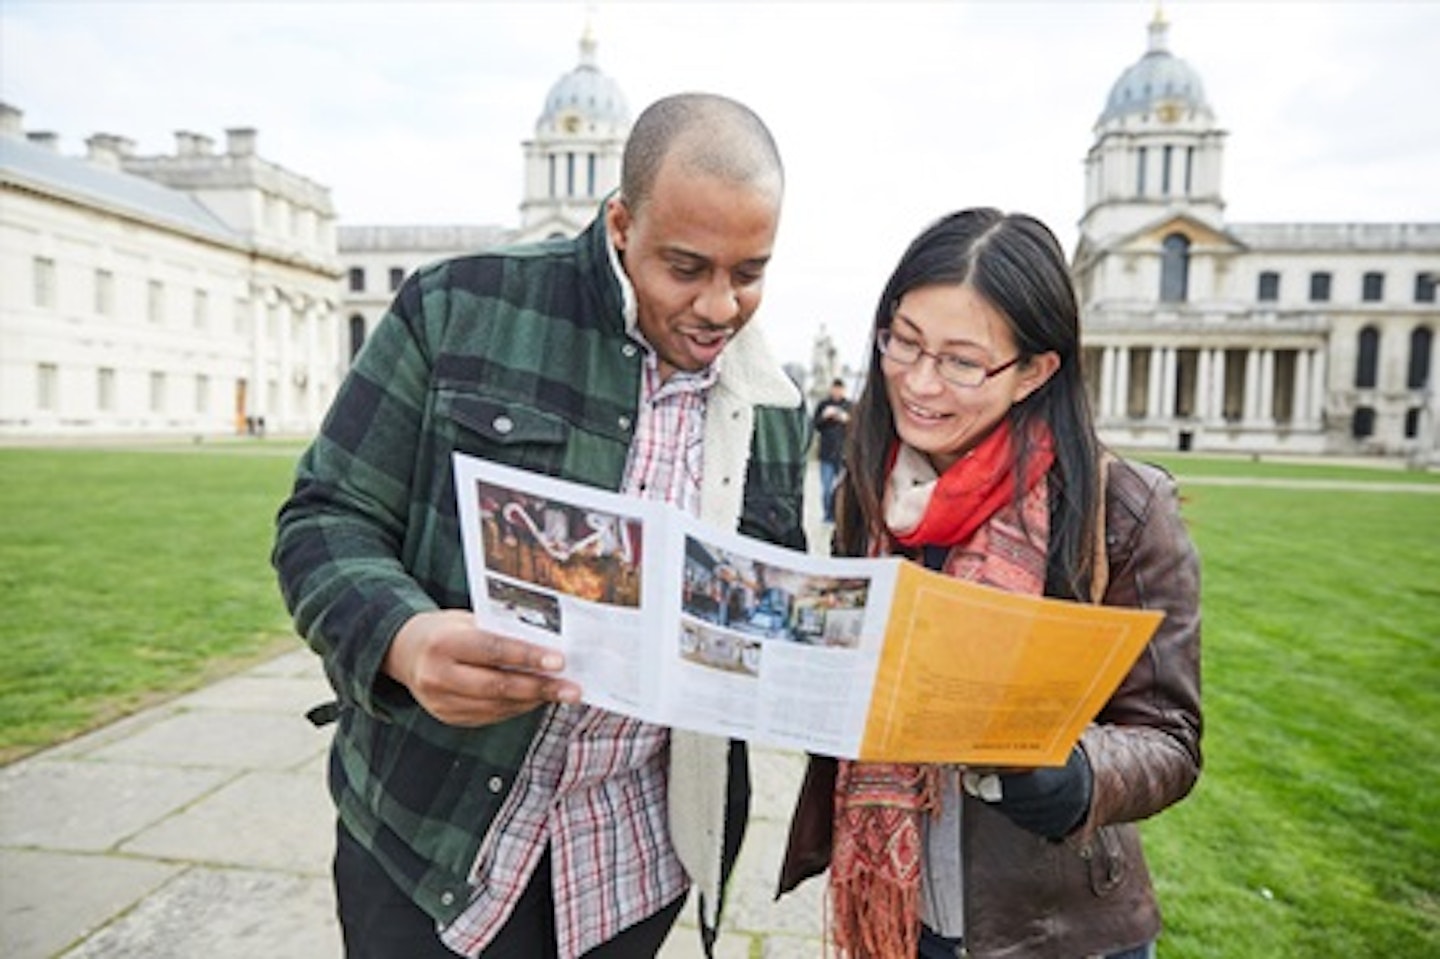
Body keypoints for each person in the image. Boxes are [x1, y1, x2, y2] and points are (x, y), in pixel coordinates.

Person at [273, 92, 809, 959]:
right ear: (622, 222)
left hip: (632, 859)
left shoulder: (771, 401)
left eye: (749, 273)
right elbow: (325, 516)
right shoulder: (461, 307)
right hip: (430, 836)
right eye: (686, 266)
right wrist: (405, 641)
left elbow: (767, 609)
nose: (719, 306)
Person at [776, 208, 1202, 959]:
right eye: (902, 342)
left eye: (962, 361)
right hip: (897, 912)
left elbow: (1169, 737)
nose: (918, 381)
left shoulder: (1124, 508)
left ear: (1036, 370)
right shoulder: (871, 488)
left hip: (1052, 927)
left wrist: (1078, 776)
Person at [812, 377, 852, 522]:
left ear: (843, 390)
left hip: (843, 455)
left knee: (842, 490)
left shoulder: (849, 405)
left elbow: (857, 428)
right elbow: (815, 425)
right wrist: (825, 417)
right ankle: (828, 516)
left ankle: (840, 517)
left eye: (840, 389)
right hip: (826, 453)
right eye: (834, 389)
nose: (837, 392)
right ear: (831, 389)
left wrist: (847, 419)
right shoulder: (823, 404)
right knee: (826, 489)